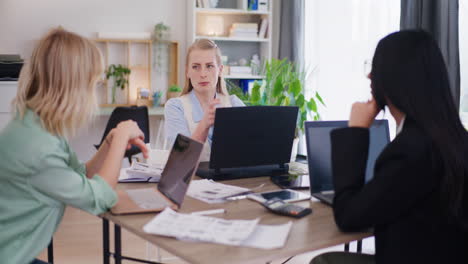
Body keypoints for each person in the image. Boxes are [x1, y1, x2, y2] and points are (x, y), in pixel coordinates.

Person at [312, 30, 468, 264]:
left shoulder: (411, 150)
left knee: (324, 261)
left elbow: (348, 216)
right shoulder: (454, 137)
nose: (368, 76)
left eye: (374, 68)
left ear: (390, 78)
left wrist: (356, 131)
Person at [0, 28, 148, 264]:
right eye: (92, 83)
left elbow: (81, 175)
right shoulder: (39, 148)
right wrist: (121, 140)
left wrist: (109, 143)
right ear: (73, 87)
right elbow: (101, 198)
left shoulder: (36, 127)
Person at [164, 39, 245, 161]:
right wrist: (203, 125)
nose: (203, 74)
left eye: (209, 66)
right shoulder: (175, 107)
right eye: (196, 67)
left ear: (220, 70)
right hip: (193, 179)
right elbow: (180, 159)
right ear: (187, 72)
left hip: (231, 180)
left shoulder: (234, 103)